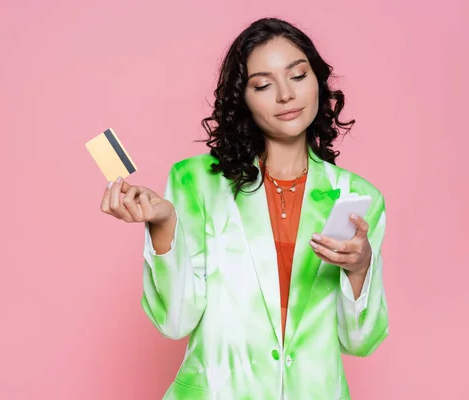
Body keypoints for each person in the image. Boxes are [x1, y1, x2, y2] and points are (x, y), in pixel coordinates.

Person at [100, 17, 388, 400]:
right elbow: (174, 322)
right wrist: (164, 226)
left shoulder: (357, 197)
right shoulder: (195, 182)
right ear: (242, 98)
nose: (285, 95)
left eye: (298, 76)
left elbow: (361, 342)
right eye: (264, 85)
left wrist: (360, 268)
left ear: (317, 81)